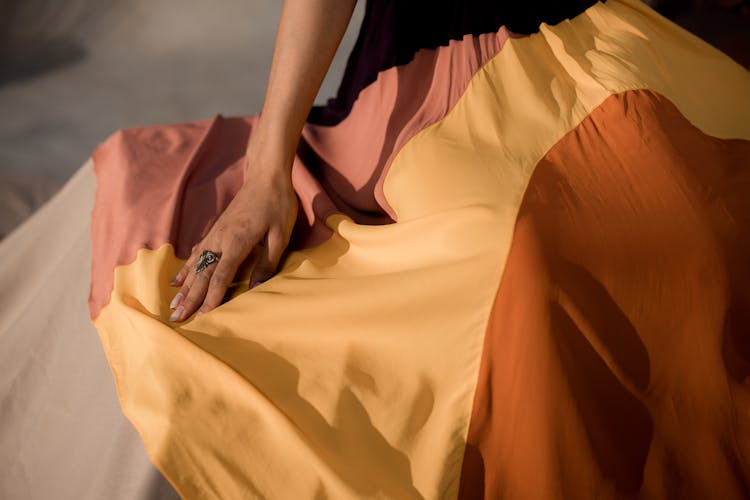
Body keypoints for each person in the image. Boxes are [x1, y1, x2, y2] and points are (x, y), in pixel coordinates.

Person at [6, 0, 750, 498]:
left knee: (694, 231)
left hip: (633, 35)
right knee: (528, 258)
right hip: (443, 61)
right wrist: (267, 173)